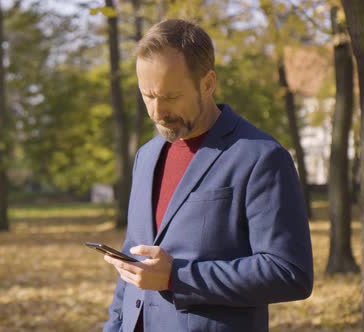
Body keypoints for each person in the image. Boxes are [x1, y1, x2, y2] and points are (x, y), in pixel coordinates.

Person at [102, 19, 313, 332]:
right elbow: (132, 265)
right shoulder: (146, 157)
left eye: (170, 96)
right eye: (147, 96)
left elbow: (289, 272)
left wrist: (178, 276)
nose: (157, 112)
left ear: (208, 83)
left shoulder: (261, 156)